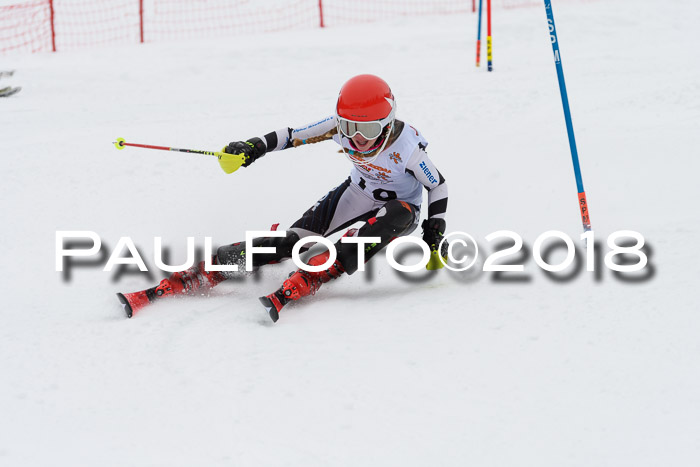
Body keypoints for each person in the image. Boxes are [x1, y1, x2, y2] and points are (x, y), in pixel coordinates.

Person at [117, 74, 449, 322]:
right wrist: (254, 147)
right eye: (349, 129)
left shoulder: (407, 148)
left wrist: (435, 227)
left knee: (397, 215)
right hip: (356, 193)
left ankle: (320, 271)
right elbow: (292, 137)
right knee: (291, 242)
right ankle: (206, 270)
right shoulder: (335, 127)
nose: (358, 140)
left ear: (388, 125)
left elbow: (438, 185)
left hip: (400, 209)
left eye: (370, 131)